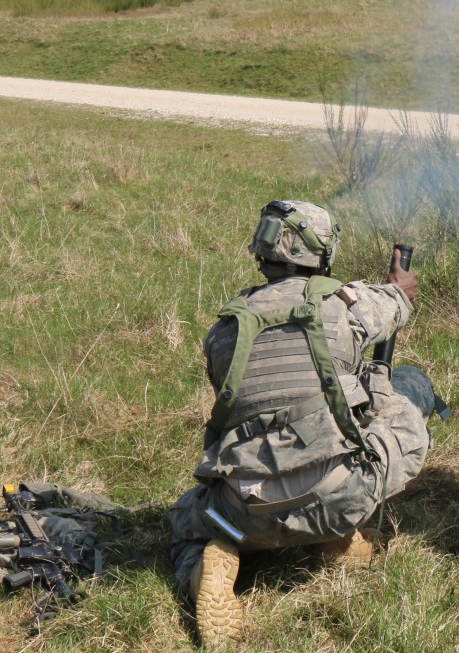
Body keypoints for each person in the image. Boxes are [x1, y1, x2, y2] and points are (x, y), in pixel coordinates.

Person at [169, 200, 438, 648]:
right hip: (340, 495)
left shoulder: (223, 332)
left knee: (185, 519)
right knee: (410, 399)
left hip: (243, 515)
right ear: (322, 252)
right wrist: (398, 286)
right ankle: (336, 532)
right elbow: (399, 301)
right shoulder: (346, 306)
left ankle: (204, 570)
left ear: (263, 253)